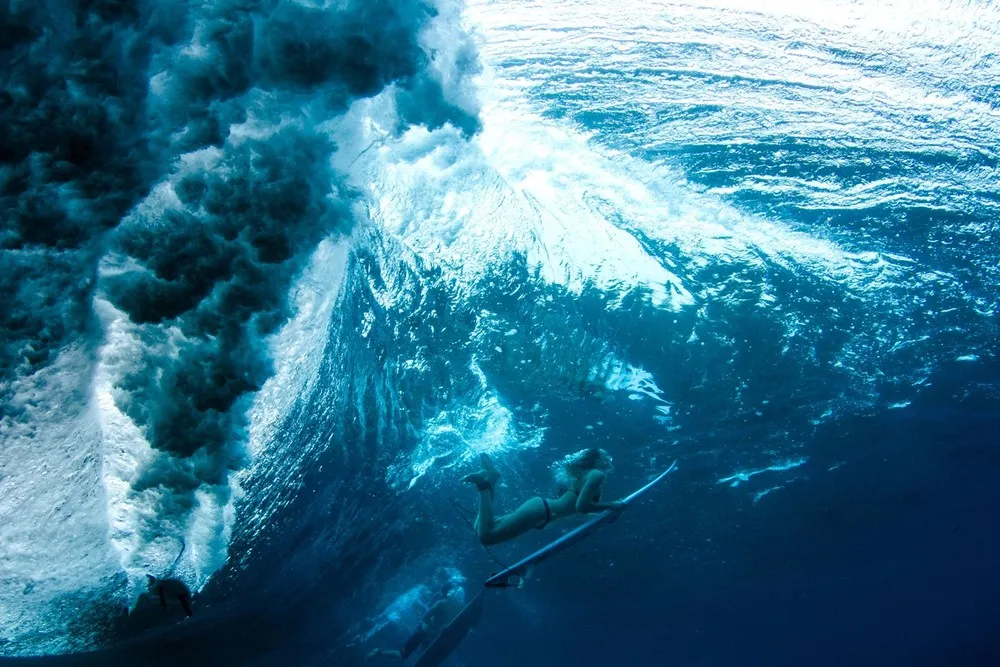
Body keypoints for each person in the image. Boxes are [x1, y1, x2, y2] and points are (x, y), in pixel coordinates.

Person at [461, 447, 626, 546]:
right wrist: (611, 505)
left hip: (543, 511)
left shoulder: (589, 475)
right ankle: (484, 484)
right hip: (542, 512)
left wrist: (601, 516)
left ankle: (491, 480)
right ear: (596, 460)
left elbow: (576, 511)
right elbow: (580, 506)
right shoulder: (597, 475)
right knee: (486, 538)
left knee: (483, 529)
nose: (608, 459)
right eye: (605, 456)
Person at [367, 582, 464, 661]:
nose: (457, 592)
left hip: (433, 636)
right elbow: (424, 618)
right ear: (449, 592)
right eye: (454, 590)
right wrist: (440, 629)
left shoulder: (459, 606)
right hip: (422, 632)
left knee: (425, 656)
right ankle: (378, 652)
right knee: (401, 655)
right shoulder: (441, 604)